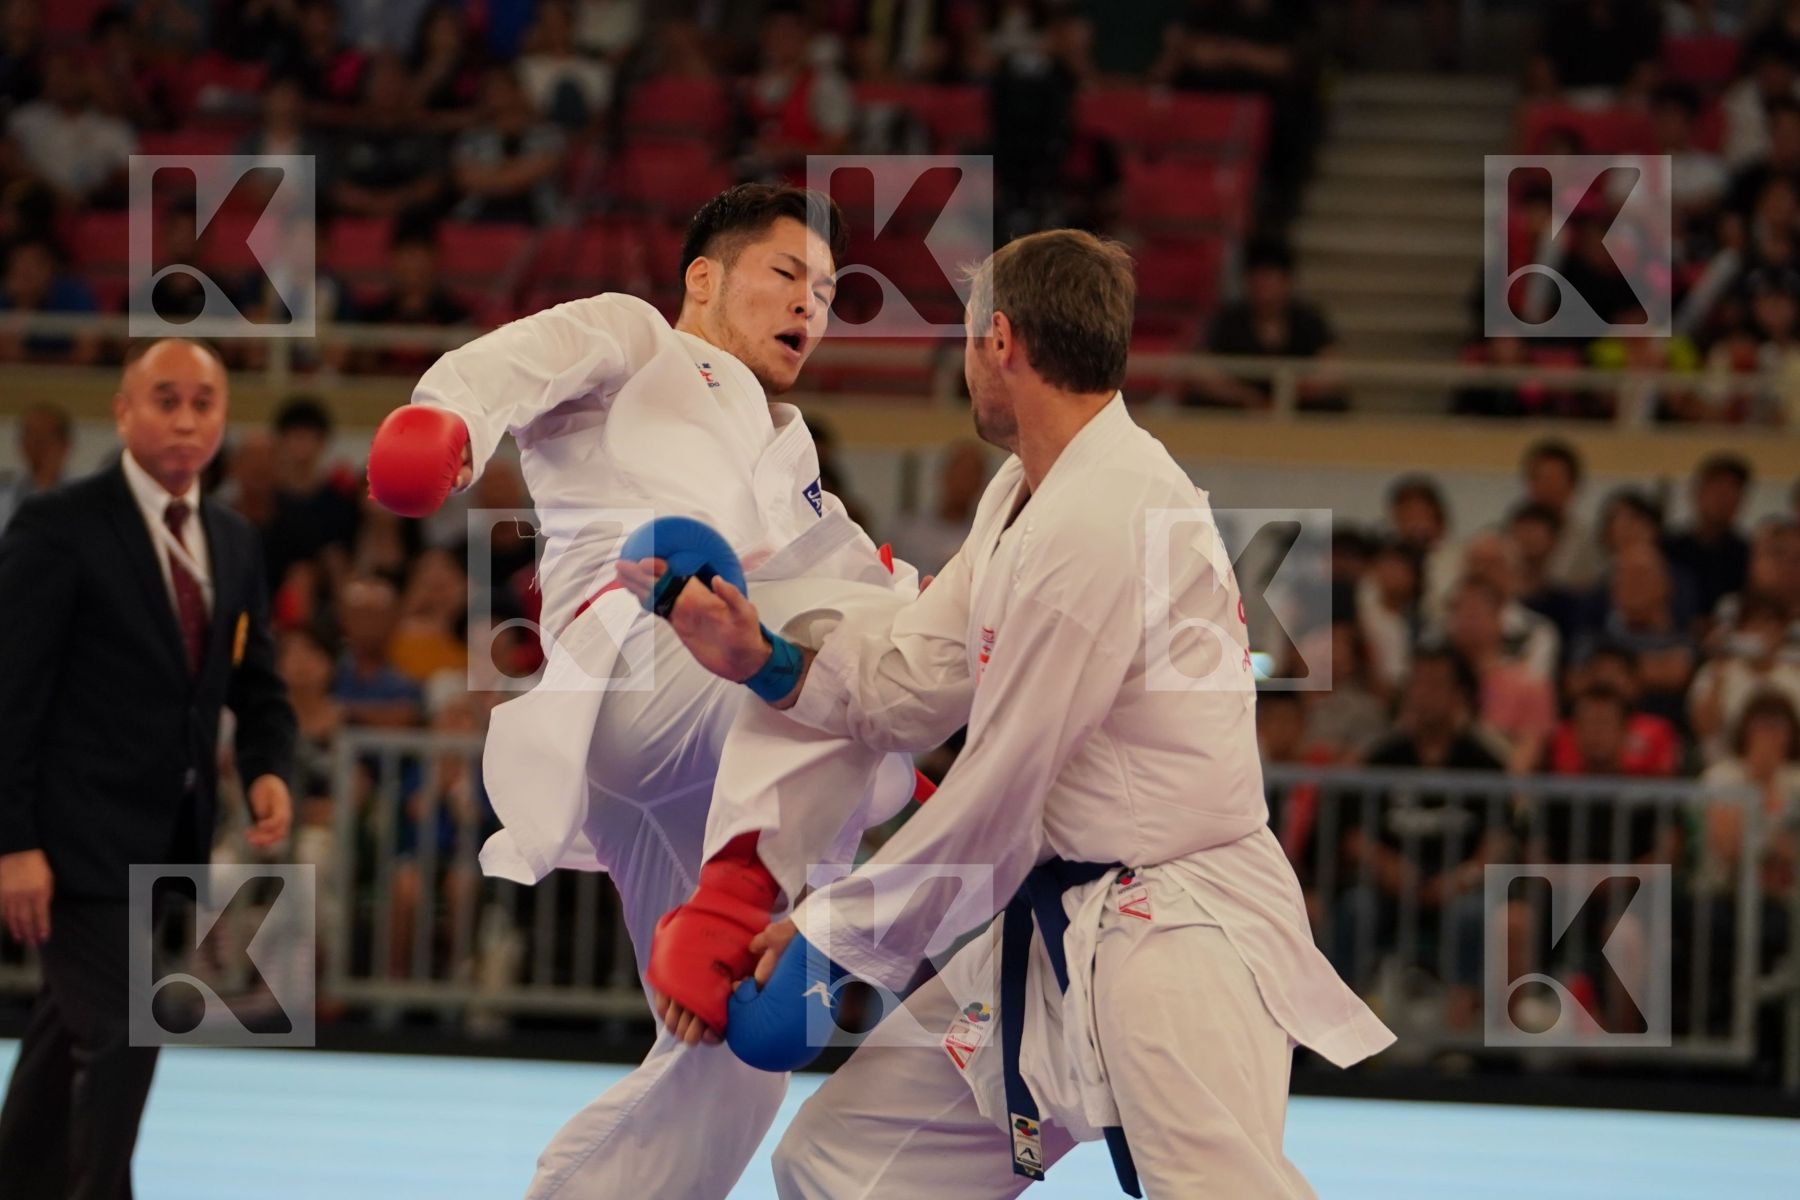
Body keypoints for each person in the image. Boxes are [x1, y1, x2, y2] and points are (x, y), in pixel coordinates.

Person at [627, 229, 1393, 1197]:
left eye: (962, 342)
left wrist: (835, 930)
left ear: (999, 342)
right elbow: (917, 674)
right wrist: (766, 662)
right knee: (842, 1165)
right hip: (1052, 924)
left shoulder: (1104, 515)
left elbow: (1001, 792)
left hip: (1173, 932)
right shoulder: (1026, 492)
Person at [364, 182, 922, 1200]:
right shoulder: (638, 337)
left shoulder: (794, 451)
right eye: (790, 276)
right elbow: (510, 364)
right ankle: (756, 880)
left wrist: (913, 749)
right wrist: (444, 422)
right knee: (841, 614)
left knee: (731, 1065)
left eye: (832, 293)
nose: (813, 307)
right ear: (704, 278)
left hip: (704, 768)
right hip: (636, 670)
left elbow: (878, 605)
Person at [0, 338, 295, 1200]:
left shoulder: (234, 541)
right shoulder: (60, 527)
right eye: (164, 400)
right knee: (129, 1027)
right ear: (123, 412)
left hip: (172, 845)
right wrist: (12, 841)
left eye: (203, 402)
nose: (185, 419)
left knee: (70, 1040)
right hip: (68, 843)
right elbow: (9, 694)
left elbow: (260, 686)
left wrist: (270, 766)